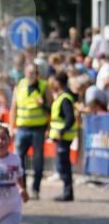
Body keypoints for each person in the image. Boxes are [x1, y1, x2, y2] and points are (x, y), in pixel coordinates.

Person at [9, 61, 52, 200]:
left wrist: (48, 127)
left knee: (38, 160)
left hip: (38, 129)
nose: (31, 76)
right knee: (19, 160)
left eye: (34, 73)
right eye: (29, 73)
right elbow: (13, 108)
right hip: (22, 129)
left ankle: (35, 189)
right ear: (25, 73)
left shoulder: (44, 86)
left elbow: (51, 108)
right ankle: (22, 188)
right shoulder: (19, 86)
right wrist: (11, 127)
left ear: (38, 74)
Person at [49, 70, 78, 203]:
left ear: (58, 82)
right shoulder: (62, 97)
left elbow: (70, 118)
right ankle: (67, 191)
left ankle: (67, 192)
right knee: (62, 165)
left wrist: (61, 132)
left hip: (64, 137)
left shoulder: (65, 98)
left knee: (63, 166)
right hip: (62, 137)